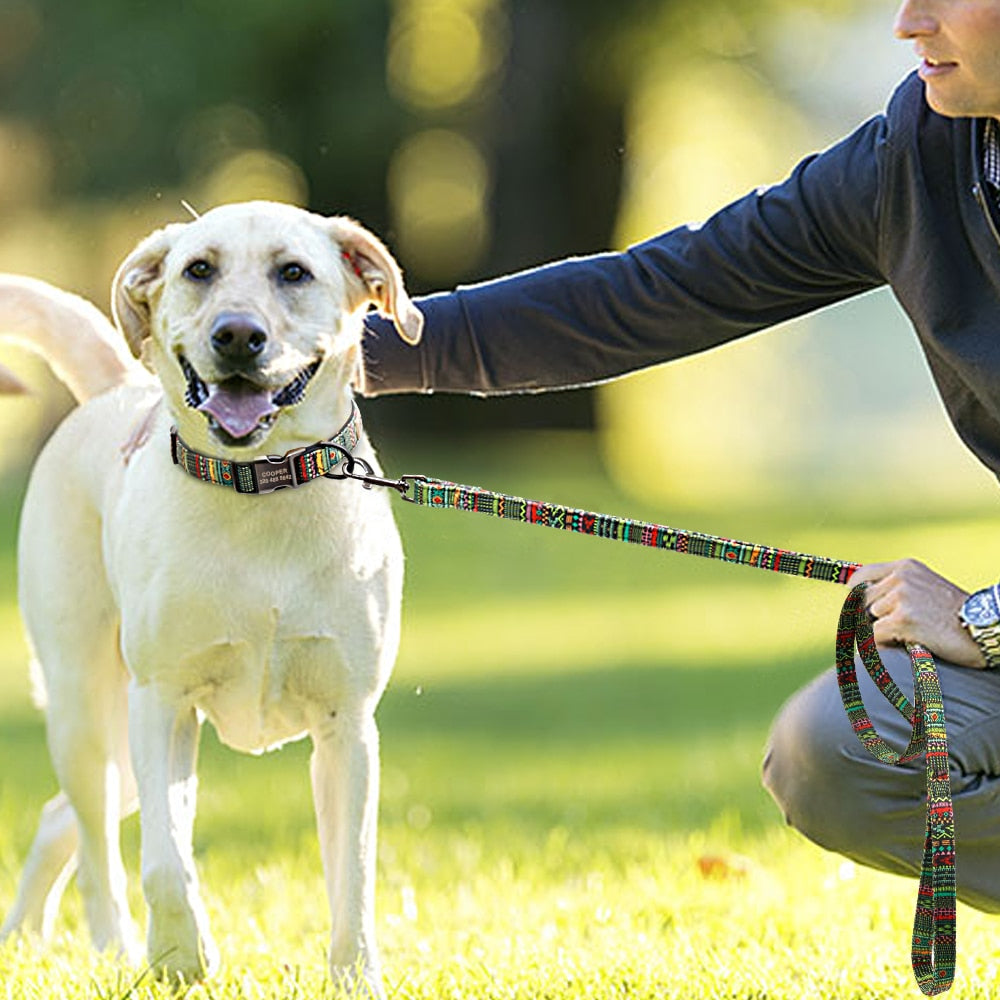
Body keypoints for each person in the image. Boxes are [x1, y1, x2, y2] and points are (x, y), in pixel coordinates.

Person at [360, 0, 1000, 912]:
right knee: (843, 749)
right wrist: (339, 352)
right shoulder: (921, 158)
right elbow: (660, 292)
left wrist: (982, 621)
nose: (909, 22)